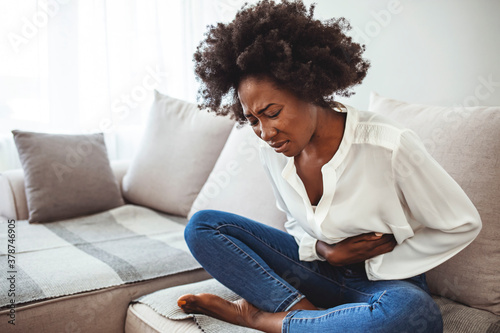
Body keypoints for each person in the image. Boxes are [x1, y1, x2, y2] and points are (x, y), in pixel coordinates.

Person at [177, 1, 482, 332]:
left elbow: (461, 224)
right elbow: (294, 220)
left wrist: (382, 260)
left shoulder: (388, 146)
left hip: (384, 283)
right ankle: (301, 312)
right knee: (202, 227)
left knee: (414, 313)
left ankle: (263, 318)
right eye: (252, 120)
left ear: (308, 88)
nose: (265, 133)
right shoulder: (274, 150)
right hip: (316, 268)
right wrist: (324, 250)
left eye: (272, 112)